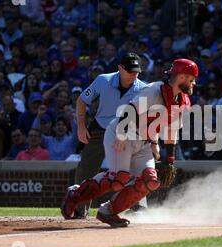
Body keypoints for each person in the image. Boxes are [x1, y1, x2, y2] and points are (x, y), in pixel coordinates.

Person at [61, 58, 198, 227]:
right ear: (182, 77)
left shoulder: (183, 101)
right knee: (117, 180)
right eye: (191, 79)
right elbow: (130, 110)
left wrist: (169, 159)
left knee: (151, 181)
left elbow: (171, 130)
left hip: (144, 141)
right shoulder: (155, 90)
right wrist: (122, 133)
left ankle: (108, 212)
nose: (193, 83)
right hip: (122, 132)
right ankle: (74, 195)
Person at [73, 53, 148, 219]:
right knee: (86, 168)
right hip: (101, 129)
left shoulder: (144, 89)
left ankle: (139, 208)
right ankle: (79, 209)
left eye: (136, 71)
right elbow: (81, 101)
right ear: (120, 68)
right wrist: (80, 126)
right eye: (130, 70)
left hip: (128, 131)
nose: (134, 74)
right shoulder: (103, 80)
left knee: (134, 167)